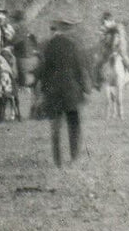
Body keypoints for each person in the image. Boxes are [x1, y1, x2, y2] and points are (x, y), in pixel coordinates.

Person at [38, 18, 90, 167]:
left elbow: (44, 70)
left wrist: (43, 91)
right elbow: (80, 67)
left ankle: (57, 161)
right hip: (71, 91)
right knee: (74, 126)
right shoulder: (74, 45)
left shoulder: (49, 45)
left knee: (55, 128)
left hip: (54, 91)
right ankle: (74, 158)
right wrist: (84, 88)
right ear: (69, 29)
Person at [97, 12, 129, 84]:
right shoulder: (103, 28)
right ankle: (98, 79)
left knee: (125, 58)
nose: (108, 22)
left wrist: (119, 45)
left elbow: (122, 37)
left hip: (118, 47)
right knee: (99, 60)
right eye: (106, 20)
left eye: (109, 20)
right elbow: (101, 40)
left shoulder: (117, 26)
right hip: (107, 48)